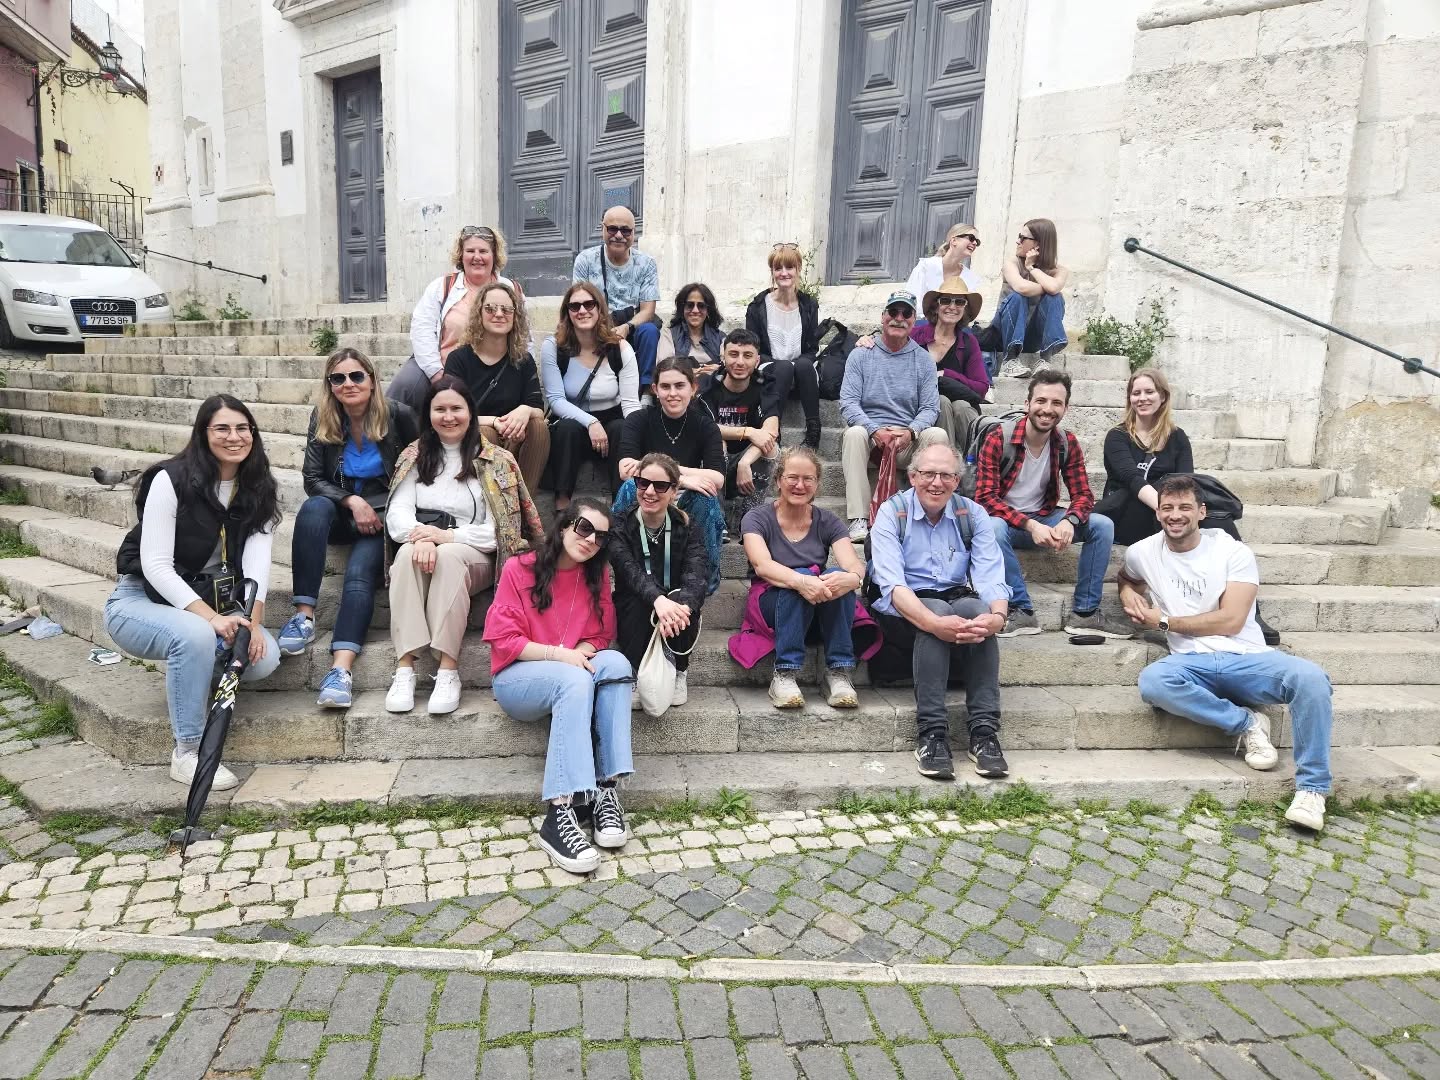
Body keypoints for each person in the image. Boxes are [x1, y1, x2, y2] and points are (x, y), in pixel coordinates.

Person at [1120, 474, 1333, 832]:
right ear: (1157, 513)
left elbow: (1231, 621)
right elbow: (1127, 577)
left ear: (1201, 511)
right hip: (1190, 663)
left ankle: (1312, 789)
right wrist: (1128, 593)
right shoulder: (1142, 551)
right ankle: (1248, 724)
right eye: (1167, 507)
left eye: (1185, 507)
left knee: (1311, 679)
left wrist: (1165, 622)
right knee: (1154, 681)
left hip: (1247, 658)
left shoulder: (1232, 552)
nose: (1175, 515)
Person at [104, 395, 282, 790]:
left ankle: (190, 667)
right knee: (195, 635)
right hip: (141, 600)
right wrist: (212, 620)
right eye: (222, 428)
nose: (234, 437)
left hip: (218, 602)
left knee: (263, 659)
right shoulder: (170, 479)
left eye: (242, 428)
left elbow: (256, 566)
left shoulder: (258, 486)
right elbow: (155, 565)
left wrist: (251, 624)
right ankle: (187, 752)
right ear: (203, 434)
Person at [484, 499, 633, 874]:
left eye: (600, 537)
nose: (591, 540)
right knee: (574, 677)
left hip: (570, 673)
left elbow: (600, 635)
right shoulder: (520, 568)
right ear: (565, 525)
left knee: (616, 665)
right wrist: (561, 656)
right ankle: (559, 812)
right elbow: (505, 640)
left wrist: (580, 650)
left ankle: (604, 790)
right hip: (518, 678)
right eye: (584, 528)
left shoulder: (595, 576)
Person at [383, 377, 544, 716]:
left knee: (450, 557)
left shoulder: (496, 460)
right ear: (428, 414)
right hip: (424, 545)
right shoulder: (413, 455)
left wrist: (447, 537)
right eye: (439, 409)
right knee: (406, 554)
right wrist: (425, 536)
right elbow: (397, 517)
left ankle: (448, 670)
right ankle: (405, 667)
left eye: (456, 408)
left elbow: (500, 532)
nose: (448, 416)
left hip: (478, 556)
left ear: (470, 412)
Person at [278, 348, 419, 708]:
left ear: (371, 380)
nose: (348, 384)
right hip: (343, 511)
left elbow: (419, 469)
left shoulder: (398, 415)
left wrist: (391, 514)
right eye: (338, 378)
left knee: (358, 573)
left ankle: (340, 671)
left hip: (384, 517)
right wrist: (352, 501)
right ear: (330, 385)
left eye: (356, 376)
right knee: (313, 508)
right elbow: (312, 479)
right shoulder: (323, 417)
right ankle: (304, 616)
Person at [1100, 368, 1280, 646]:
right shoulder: (1118, 436)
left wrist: (1182, 511)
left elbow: (1186, 484)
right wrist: (1167, 509)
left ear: (1163, 396)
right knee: (1174, 510)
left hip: (1165, 514)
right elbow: (1132, 480)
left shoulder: (1177, 437)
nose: (1142, 398)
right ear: (1129, 398)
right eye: (1136, 393)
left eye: (1149, 392)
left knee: (1220, 523)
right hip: (1129, 513)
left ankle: (1250, 613)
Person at [869, 443, 1009, 781]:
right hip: (904, 605)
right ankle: (932, 734)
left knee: (977, 612)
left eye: (946, 475)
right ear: (912, 476)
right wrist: (934, 623)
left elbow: (991, 574)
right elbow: (893, 586)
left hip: (954, 596)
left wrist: (997, 618)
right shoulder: (892, 512)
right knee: (936, 613)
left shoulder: (972, 514)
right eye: (928, 474)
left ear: (957, 480)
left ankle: (984, 732)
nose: (937, 482)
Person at [974, 368, 1130, 639]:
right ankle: (1020, 609)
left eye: (1056, 403)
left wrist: (1070, 520)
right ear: (1027, 404)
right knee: (992, 527)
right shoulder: (998, 438)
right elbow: (985, 498)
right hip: (1008, 524)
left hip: (1045, 518)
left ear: (1065, 408)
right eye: (1041, 401)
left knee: (1102, 525)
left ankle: (1085, 613)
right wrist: (1030, 525)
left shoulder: (1066, 442)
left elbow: (1083, 495)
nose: (1047, 409)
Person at [740, 446, 867, 710]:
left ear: (817, 484)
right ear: (778, 480)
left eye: (808, 479)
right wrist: (801, 581)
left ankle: (838, 672)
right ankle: (784, 673)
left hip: (815, 602)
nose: (800, 485)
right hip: (771, 602)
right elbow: (762, 565)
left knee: (837, 578)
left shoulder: (828, 521)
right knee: (802, 575)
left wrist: (853, 578)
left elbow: (853, 564)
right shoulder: (757, 518)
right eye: (792, 477)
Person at [838, 289, 949, 543]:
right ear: (883, 316)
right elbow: (848, 402)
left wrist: (911, 432)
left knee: (937, 435)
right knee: (854, 433)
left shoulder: (923, 360)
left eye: (906, 313)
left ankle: (927, 512)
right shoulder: (861, 354)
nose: (899, 318)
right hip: (871, 438)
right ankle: (859, 518)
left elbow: (930, 408)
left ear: (913, 321)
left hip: (906, 439)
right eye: (893, 312)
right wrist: (874, 429)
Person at [614, 357, 726, 595]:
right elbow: (626, 469)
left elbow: (717, 477)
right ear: (655, 389)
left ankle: (702, 582)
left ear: (693, 388)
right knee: (629, 487)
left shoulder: (706, 426)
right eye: (665, 386)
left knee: (707, 496)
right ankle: (626, 570)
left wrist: (662, 471)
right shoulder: (638, 420)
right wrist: (680, 478)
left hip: (685, 499)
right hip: (648, 494)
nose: (672, 393)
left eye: (680, 385)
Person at [609, 454, 707, 709]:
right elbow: (628, 570)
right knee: (638, 601)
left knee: (685, 602)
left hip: (673, 605)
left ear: (674, 491)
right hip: (637, 601)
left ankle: (679, 669)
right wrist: (657, 600)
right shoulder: (620, 525)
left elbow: (697, 573)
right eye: (643, 483)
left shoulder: (687, 526)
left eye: (660, 486)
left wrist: (681, 606)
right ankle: (634, 668)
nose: (650, 491)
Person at [391, 225, 520, 412]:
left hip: (490, 369)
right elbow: (422, 329)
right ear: (461, 255)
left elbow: (524, 335)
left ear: (494, 255)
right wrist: (437, 374)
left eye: (483, 251)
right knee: (405, 386)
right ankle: (385, 427)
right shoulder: (442, 286)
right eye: (470, 251)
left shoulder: (511, 288)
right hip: (441, 366)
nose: (477, 257)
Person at [540, 282, 642, 511]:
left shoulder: (620, 348)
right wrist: (591, 422)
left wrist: (638, 435)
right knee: (566, 429)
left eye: (589, 304)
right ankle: (562, 504)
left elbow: (630, 403)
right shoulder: (553, 347)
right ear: (567, 312)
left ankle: (621, 506)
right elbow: (555, 399)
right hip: (572, 420)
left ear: (600, 309)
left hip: (612, 421)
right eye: (574, 306)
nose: (582, 311)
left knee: (622, 429)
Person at [856, 277, 989, 447]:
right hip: (919, 405)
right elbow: (888, 339)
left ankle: (975, 458)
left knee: (961, 406)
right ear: (936, 306)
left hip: (960, 404)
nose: (952, 307)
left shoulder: (968, 342)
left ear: (965, 308)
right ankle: (942, 457)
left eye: (959, 302)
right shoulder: (915, 335)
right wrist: (866, 339)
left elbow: (981, 388)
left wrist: (947, 375)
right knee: (941, 401)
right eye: (946, 300)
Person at [443, 281, 549, 495]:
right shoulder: (459, 359)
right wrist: (493, 422)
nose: (499, 314)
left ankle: (523, 506)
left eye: (507, 309)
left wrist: (525, 410)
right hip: (473, 437)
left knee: (538, 426)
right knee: (486, 434)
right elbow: (450, 411)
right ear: (479, 314)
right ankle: (493, 505)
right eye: (490, 308)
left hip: (513, 439)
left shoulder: (523, 360)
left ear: (515, 316)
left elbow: (537, 408)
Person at [700, 329, 779, 537]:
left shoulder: (766, 384)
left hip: (747, 471)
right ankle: (717, 519)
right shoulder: (708, 385)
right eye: (733, 354)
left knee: (771, 448)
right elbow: (705, 428)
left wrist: (745, 462)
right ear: (723, 357)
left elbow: (771, 430)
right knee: (717, 442)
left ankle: (750, 517)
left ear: (757, 360)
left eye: (747, 355)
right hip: (712, 467)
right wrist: (749, 431)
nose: (740, 362)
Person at [572, 205, 660, 393]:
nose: (619, 235)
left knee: (650, 331)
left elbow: (648, 310)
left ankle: (646, 392)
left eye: (625, 230)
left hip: (632, 326)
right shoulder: (585, 260)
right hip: (596, 325)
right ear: (602, 229)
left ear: (634, 233)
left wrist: (627, 327)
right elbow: (578, 302)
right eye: (612, 229)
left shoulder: (647, 263)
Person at [746, 244, 823, 449]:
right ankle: (774, 431)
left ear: (798, 269)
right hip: (770, 371)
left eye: (789, 267)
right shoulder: (758, 306)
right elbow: (753, 349)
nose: (784, 273)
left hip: (801, 373)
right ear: (772, 272)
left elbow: (812, 348)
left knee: (803, 365)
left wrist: (798, 363)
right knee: (784, 367)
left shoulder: (809, 305)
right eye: (778, 268)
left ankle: (814, 430)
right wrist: (782, 364)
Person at [993, 218, 1068, 378]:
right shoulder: (1011, 263)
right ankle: (1009, 360)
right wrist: (1048, 287)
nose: (1017, 241)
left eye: (1022, 237)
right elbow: (1022, 287)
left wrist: (1031, 268)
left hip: (1031, 338)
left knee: (1055, 298)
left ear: (1038, 244)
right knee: (1019, 296)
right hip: (1003, 333)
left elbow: (1054, 289)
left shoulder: (1059, 270)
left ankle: (1045, 360)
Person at [656, 282, 724, 379]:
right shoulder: (669, 334)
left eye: (701, 306)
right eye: (690, 305)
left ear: (708, 310)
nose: (695, 310)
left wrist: (718, 369)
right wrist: (690, 373)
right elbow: (664, 368)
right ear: (682, 308)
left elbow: (728, 366)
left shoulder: (721, 338)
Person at [904, 223, 984, 305]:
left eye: (977, 241)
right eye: (971, 238)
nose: (975, 243)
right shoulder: (926, 267)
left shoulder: (970, 278)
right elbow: (911, 302)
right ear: (954, 241)